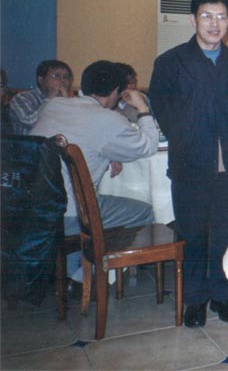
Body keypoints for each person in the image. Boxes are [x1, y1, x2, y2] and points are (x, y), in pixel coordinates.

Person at [149, 0, 228, 329]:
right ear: (193, 20)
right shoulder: (170, 62)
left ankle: (224, 296)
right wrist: (188, 137)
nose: (214, 23)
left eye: (221, 17)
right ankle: (195, 300)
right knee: (192, 235)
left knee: (227, 234)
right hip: (190, 165)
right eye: (207, 16)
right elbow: (162, 109)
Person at [30, 60, 156, 290]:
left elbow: (82, 137)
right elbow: (148, 146)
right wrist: (143, 109)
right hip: (71, 215)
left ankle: (70, 272)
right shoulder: (107, 119)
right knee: (143, 212)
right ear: (116, 91)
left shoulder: (53, 106)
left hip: (37, 207)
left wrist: (110, 154)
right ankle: (85, 277)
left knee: (87, 204)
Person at [9, 60, 73, 135]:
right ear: (41, 79)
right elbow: (29, 122)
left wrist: (66, 102)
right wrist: (50, 100)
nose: (62, 80)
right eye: (56, 76)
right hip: (32, 142)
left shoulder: (70, 101)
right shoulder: (21, 98)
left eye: (66, 77)